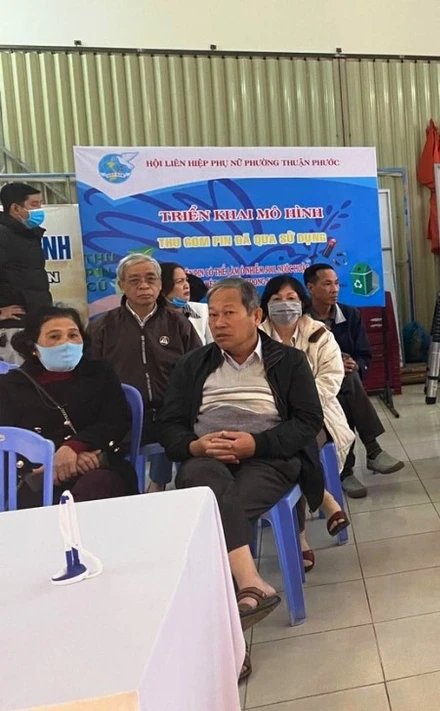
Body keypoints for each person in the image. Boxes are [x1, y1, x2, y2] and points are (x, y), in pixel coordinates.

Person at [157, 278, 324, 633]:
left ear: (256, 316)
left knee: (213, 513)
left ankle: (225, 623)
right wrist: (195, 446)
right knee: (205, 483)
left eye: (229, 313)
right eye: (213, 314)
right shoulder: (192, 364)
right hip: (206, 459)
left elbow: (308, 422)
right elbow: (169, 426)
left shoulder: (289, 361)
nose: (218, 323)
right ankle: (249, 586)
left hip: (269, 459)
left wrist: (256, 444)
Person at [260, 276, 353, 572]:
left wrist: (300, 404)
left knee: (296, 443)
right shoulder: (255, 338)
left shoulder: (320, 335)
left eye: (291, 298)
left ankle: (299, 536)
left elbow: (332, 378)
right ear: (265, 305)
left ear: (302, 302)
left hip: (317, 416)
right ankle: (324, 501)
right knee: (291, 445)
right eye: (276, 299)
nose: (284, 305)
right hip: (269, 418)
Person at [0, 306, 137, 507]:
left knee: (97, 486)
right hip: (36, 474)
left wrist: (74, 448)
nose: (66, 343)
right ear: (33, 347)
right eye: (54, 337)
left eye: (73, 335)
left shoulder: (100, 373)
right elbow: (8, 436)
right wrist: (51, 461)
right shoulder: (12, 385)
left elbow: (116, 421)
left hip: (95, 465)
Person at [88, 255, 202, 492]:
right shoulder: (102, 326)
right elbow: (91, 377)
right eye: (134, 280)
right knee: (108, 466)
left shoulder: (178, 322)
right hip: (123, 418)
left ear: (160, 284)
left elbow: (199, 367)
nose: (143, 286)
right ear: (121, 285)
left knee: (196, 459)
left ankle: (171, 491)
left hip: (173, 414)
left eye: (150, 279)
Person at [303, 263, 404, 500]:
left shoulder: (350, 314)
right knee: (344, 385)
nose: (334, 289)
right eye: (327, 284)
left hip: (345, 383)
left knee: (346, 383)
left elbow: (364, 354)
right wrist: (332, 365)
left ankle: (346, 471)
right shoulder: (301, 320)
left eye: (337, 283)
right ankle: (371, 450)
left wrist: (355, 364)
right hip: (313, 383)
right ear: (311, 288)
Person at [0, 182, 51, 365]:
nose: (40, 210)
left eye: (41, 204)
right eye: (34, 205)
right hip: (12, 330)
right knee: (17, 380)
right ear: (15, 208)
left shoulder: (27, 235)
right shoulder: (3, 235)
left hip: (33, 324)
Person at [159, 261, 212, 344]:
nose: (186, 285)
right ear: (163, 289)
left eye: (186, 280)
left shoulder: (203, 310)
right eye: (179, 281)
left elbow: (213, 346)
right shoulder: (154, 317)